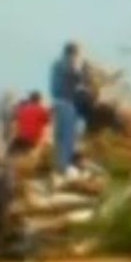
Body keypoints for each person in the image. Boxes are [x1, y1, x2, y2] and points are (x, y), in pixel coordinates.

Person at [49, 41, 85, 177]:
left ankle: (58, 167)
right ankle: (64, 169)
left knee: (58, 138)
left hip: (56, 103)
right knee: (68, 138)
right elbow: (77, 77)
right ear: (73, 53)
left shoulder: (55, 64)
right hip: (67, 104)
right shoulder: (70, 63)